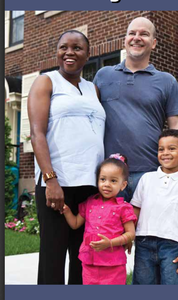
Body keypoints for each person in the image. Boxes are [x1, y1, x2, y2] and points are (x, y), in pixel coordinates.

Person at [28, 30, 105, 284]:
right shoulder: (46, 82)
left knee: (82, 258)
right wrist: (50, 180)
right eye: (64, 47)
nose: (69, 52)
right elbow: (37, 134)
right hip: (57, 185)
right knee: (53, 257)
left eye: (77, 48)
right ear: (57, 52)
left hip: (89, 186)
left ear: (88, 54)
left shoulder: (92, 88)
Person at [94, 17, 178, 201]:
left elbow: (177, 125)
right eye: (132, 33)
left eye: (144, 34)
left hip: (150, 173)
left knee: (148, 230)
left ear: (154, 43)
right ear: (124, 40)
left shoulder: (167, 81)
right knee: (111, 230)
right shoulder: (103, 75)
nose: (137, 38)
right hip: (111, 175)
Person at [131, 129, 178, 285]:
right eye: (161, 149)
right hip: (143, 242)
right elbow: (135, 210)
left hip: (170, 246)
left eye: (172, 148)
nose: (165, 153)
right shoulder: (146, 179)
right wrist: (129, 235)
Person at [62, 154, 137, 285]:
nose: (107, 184)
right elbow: (75, 224)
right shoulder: (89, 202)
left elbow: (131, 234)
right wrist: (67, 211)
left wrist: (111, 243)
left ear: (123, 185)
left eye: (113, 181)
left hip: (113, 265)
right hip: (89, 263)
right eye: (103, 179)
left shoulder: (123, 208)